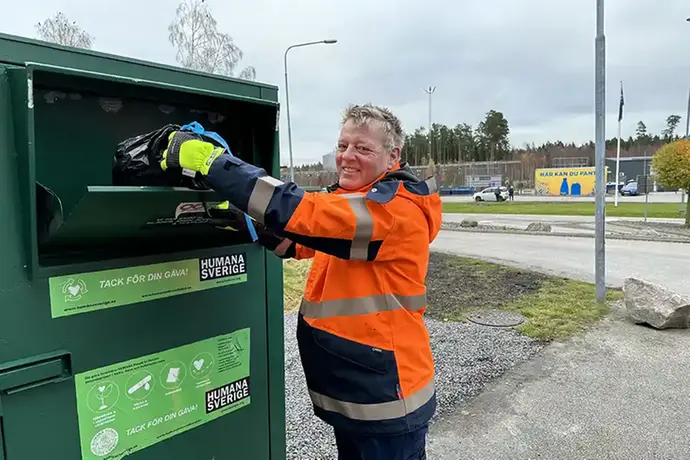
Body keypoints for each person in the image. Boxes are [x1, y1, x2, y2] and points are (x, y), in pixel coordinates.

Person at [160, 103, 442, 459]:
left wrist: (211, 162)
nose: (347, 157)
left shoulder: (394, 211)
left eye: (363, 148)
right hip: (363, 392)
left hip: (388, 399)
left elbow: (303, 213)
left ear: (393, 156)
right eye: (343, 146)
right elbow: (301, 242)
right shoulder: (356, 201)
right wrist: (251, 222)